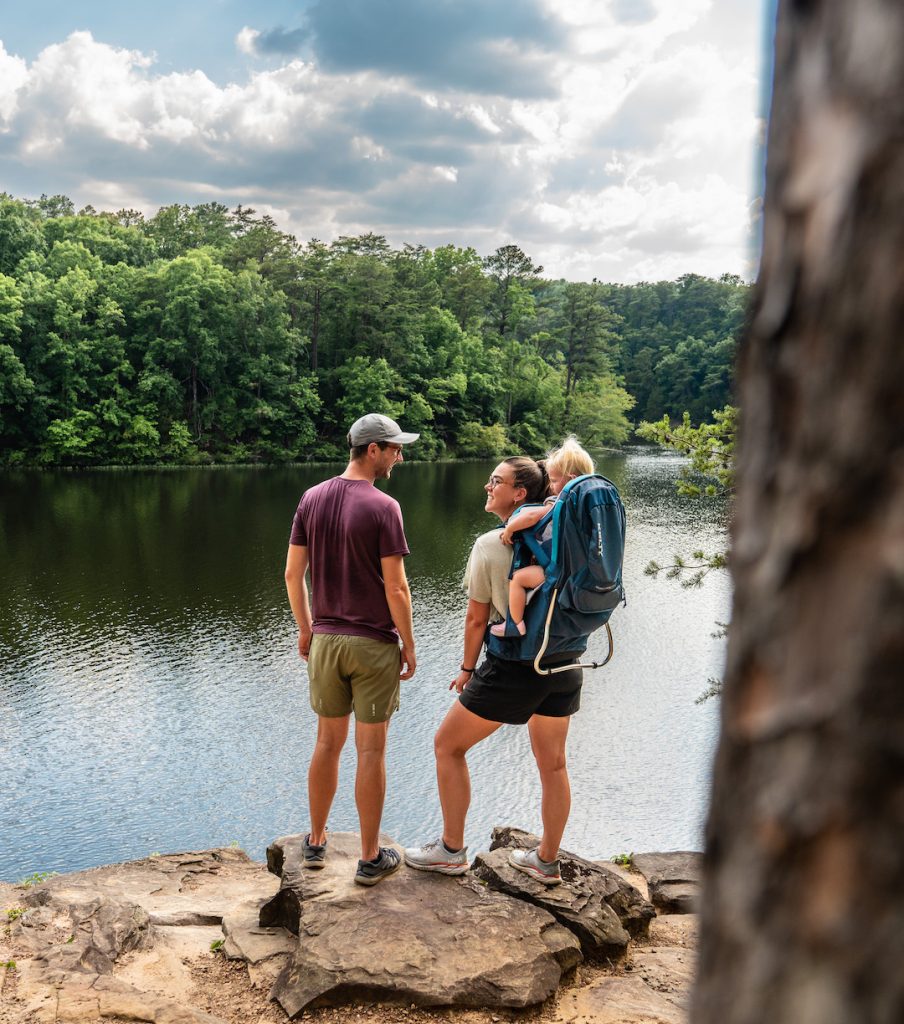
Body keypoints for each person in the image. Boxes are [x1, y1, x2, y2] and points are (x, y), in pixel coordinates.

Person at [405, 455, 584, 886]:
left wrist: (468, 669)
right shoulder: (568, 536)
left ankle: (450, 850)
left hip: (516, 666)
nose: (487, 486)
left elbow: (475, 618)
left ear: (520, 494)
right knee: (554, 765)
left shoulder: (490, 544)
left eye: (496, 481)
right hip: (565, 661)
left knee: (447, 745)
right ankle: (546, 860)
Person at [285, 413, 418, 887]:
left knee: (326, 743)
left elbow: (291, 574)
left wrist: (306, 629)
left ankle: (316, 843)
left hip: (325, 641)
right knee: (371, 752)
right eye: (395, 447)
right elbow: (397, 589)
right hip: (371, 644)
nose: (400, 455)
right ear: (373, 450)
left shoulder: (311, 498)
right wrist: (408, 641)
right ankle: (368, 857)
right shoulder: (384, 506)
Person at [490, 436, 595, 637]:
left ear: (571, 479)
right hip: (583, 573)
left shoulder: (559, 501)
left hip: (562, 572)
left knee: (519, 579)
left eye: (554, 480)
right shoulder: (588, 505)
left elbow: (530, 516)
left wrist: (510, 528)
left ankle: (516, 624)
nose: (552, 485)